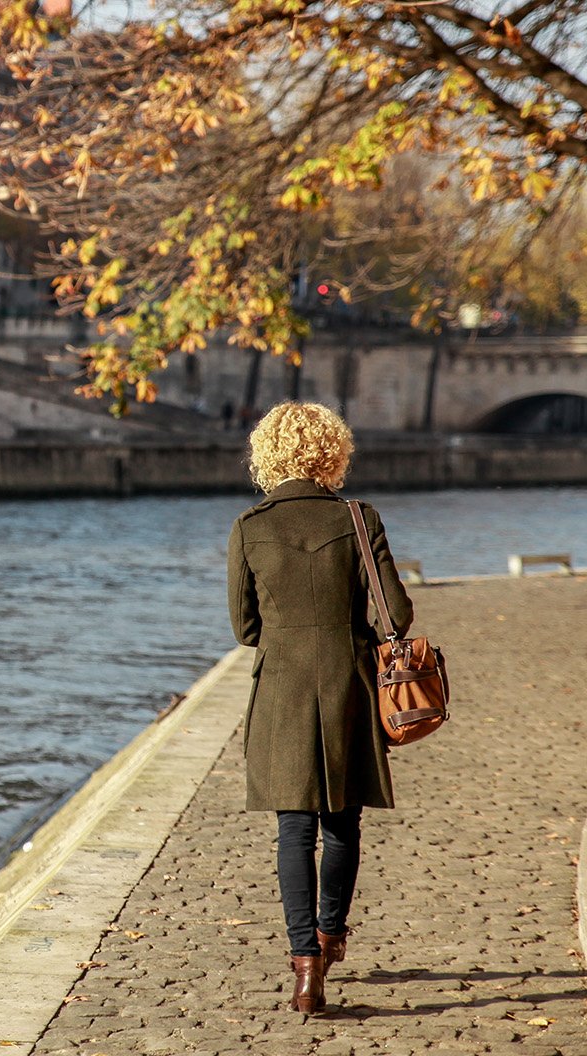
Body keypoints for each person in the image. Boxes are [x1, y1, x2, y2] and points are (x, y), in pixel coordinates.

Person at [226, 401, 414, 1015]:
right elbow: (398, 614)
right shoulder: (360, 518)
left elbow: (244, 626)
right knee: (342, 823)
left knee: (293, 828)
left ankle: (304, 964)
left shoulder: (250, 526)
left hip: (280, 683)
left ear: (268, 454)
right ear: (333, 453)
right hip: (348, 682)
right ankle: (331, 936)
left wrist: (288, 631)